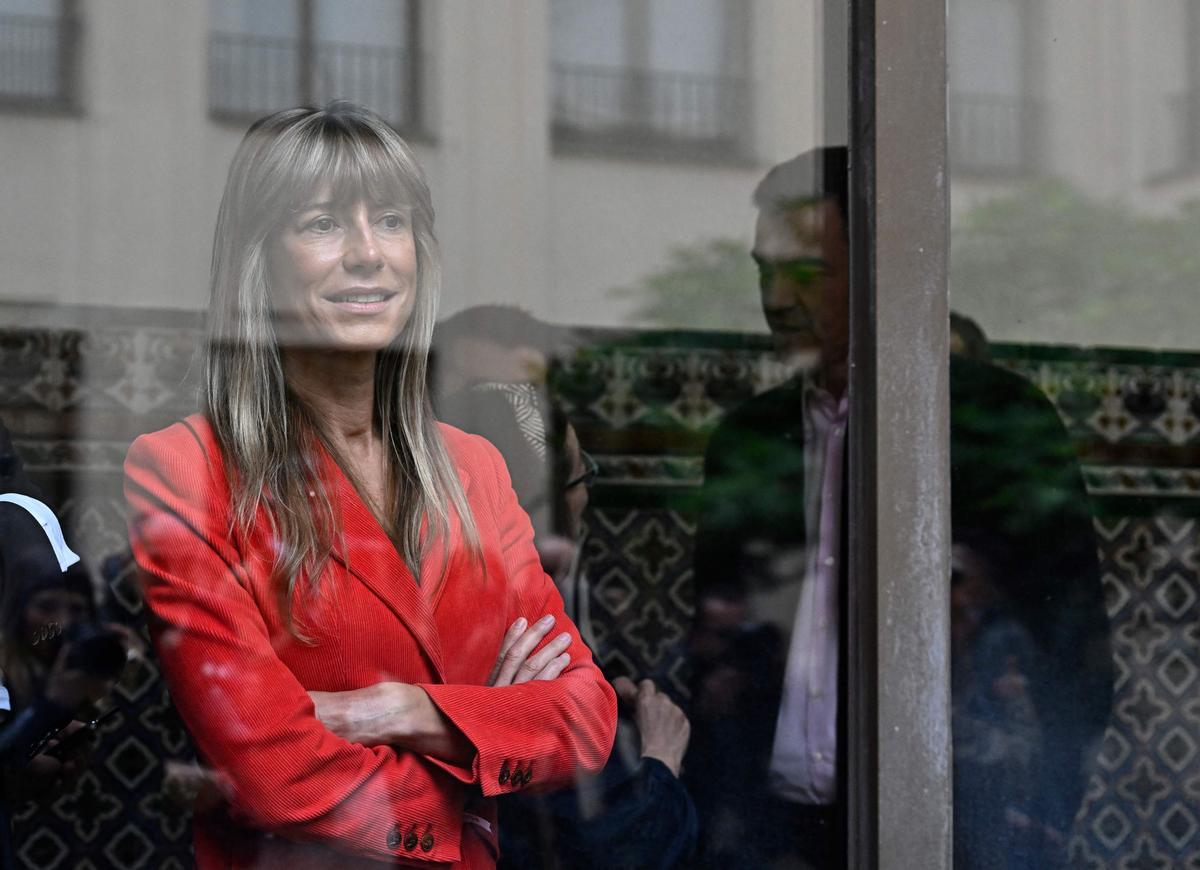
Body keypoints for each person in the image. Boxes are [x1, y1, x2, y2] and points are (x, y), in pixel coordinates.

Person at [123, 103, 616, 868]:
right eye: (322, 224)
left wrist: (399, 710)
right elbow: (273, 776)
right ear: (260, 257)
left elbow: (585, 719)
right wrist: (478, 765)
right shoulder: (186, 469)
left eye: (390, 221)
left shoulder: (476, 467)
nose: (368, 255)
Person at [688, 146, 1112, 868]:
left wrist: (1038, 811)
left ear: (883, 271)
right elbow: (717, 638)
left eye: (808, 271)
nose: (778, 298)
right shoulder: (748, 439)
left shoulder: (995, 423)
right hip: (771, 831)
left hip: (962, 826)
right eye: (765, 269)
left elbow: (1072, 648)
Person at [432, 330, 698, 868]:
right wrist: (660, 761)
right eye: (581, 475)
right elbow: (602, 848)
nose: (587, 493)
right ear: (540, 502)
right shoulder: (527, 638)